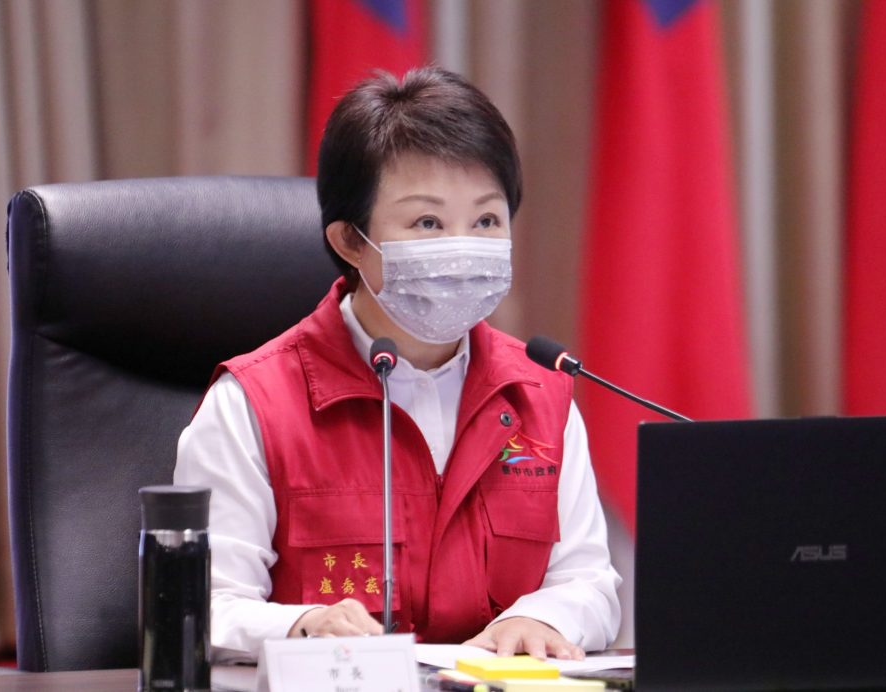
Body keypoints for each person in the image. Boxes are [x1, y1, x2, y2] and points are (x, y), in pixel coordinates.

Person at [174, 66, 620, 664]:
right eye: (427, 222)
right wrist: (302, 624)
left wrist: (540, 617)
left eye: (486, 220)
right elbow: (202, 607)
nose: (462, 247)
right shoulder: (253, 404)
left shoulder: (540, 394)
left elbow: (589, 581)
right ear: (351, 241)